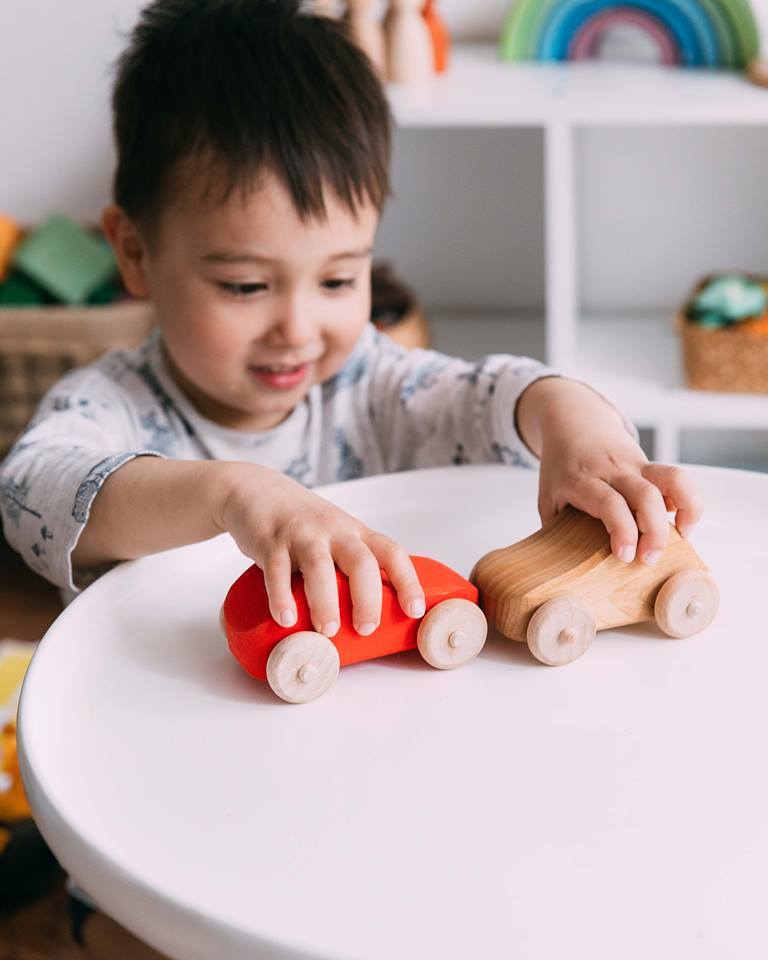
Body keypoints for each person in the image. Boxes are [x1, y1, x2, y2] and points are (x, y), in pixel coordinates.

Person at [0, 0, 702, 954]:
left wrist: (582, 434)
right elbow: (34, 487)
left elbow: (494, 391)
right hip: (172, 799)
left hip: (363, 798)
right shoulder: (111, 403)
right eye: (246, 286)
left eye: (337, 279)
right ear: (133, 251)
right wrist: (235, 492)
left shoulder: (371, 384)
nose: (299, 327)